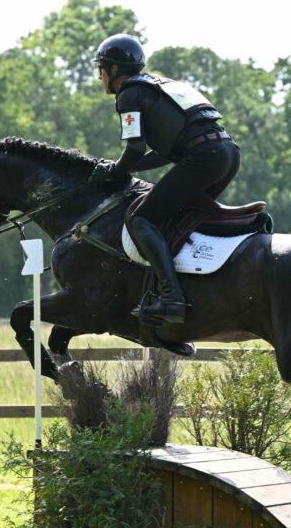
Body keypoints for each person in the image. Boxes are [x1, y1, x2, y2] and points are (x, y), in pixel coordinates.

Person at [89, 33, 240, 325]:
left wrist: (115, 172)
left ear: (114, 70)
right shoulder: (159, 86)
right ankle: (187, 286)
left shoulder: (128, 95)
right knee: (180, 217)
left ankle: (171, 298)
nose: (100, 78)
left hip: (204, 157)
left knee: (141, 219)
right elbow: (162, 153)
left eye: (101, 70)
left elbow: (135, 148)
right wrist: (124, 168)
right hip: (227, 153)